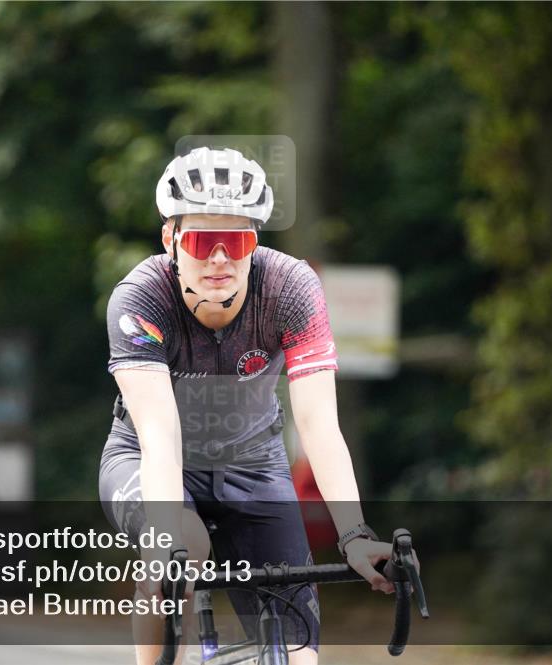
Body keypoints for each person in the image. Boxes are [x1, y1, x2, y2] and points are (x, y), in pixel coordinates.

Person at [99, 147, 417, 665]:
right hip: (147, 459)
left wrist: (355, 535)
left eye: (237, 239)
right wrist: (160, 543)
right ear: (170, 240)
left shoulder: (291, 287)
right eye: (203, 240)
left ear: (255, 243)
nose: (220, 258)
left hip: (252, 464)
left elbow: (317, 424)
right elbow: (159, 436)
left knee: (299, 657)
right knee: (182, 543)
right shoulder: (140, 298)